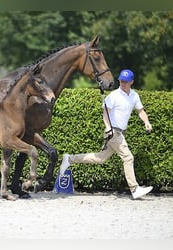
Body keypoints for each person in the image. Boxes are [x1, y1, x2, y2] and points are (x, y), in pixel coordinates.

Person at [60, 69, 153, 199]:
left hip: (120, 132)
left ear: (131, 82)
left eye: (126, 81)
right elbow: (106, 113)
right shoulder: (114, 95)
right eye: (121, 80)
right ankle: (135, 188)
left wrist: (146, 122)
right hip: (113, 131)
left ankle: (69, 159)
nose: (123, 83)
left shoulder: (134, 96)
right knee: (128, 157)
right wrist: (108, 127)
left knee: (100, 158)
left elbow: (140, 111)